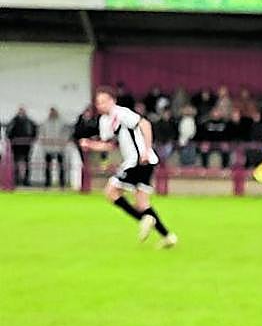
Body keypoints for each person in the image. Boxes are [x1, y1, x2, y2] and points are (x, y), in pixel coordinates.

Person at [78, 86, 176, 248]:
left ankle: (144, 219)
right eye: (98, 102)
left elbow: (145, 124)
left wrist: (146, 149)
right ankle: (167, 236)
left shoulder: (122, 113)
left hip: (138, 161)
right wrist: (90, 144)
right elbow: (110, 145)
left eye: (103, 101)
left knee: (111, 192)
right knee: (142, 203)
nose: (100, 105)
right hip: (142, 162)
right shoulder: (104, 121)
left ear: (113, 101)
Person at [6, 106, 38, 187]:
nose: (21, 112)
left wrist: (31, 139)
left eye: (23, 111)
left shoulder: (30, 122)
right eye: (20, 111)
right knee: (15, 163)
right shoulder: (13, 121)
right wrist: (11, 139)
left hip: (26, 145)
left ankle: (26, 180)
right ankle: (16, 180)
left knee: (26, 162)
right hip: (16, 146)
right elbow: (8, 132)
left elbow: (34, 132)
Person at [40, 107, 70, 189]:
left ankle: (62, 184)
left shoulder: (62, 122)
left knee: (61, 167)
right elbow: (41, 133)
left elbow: (66, 133)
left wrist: (63, 142)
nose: (52, 113)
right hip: (48, 148)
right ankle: (47, 183)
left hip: (59, 148)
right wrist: (44, 142)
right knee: (47, 167)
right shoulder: (45, 123)